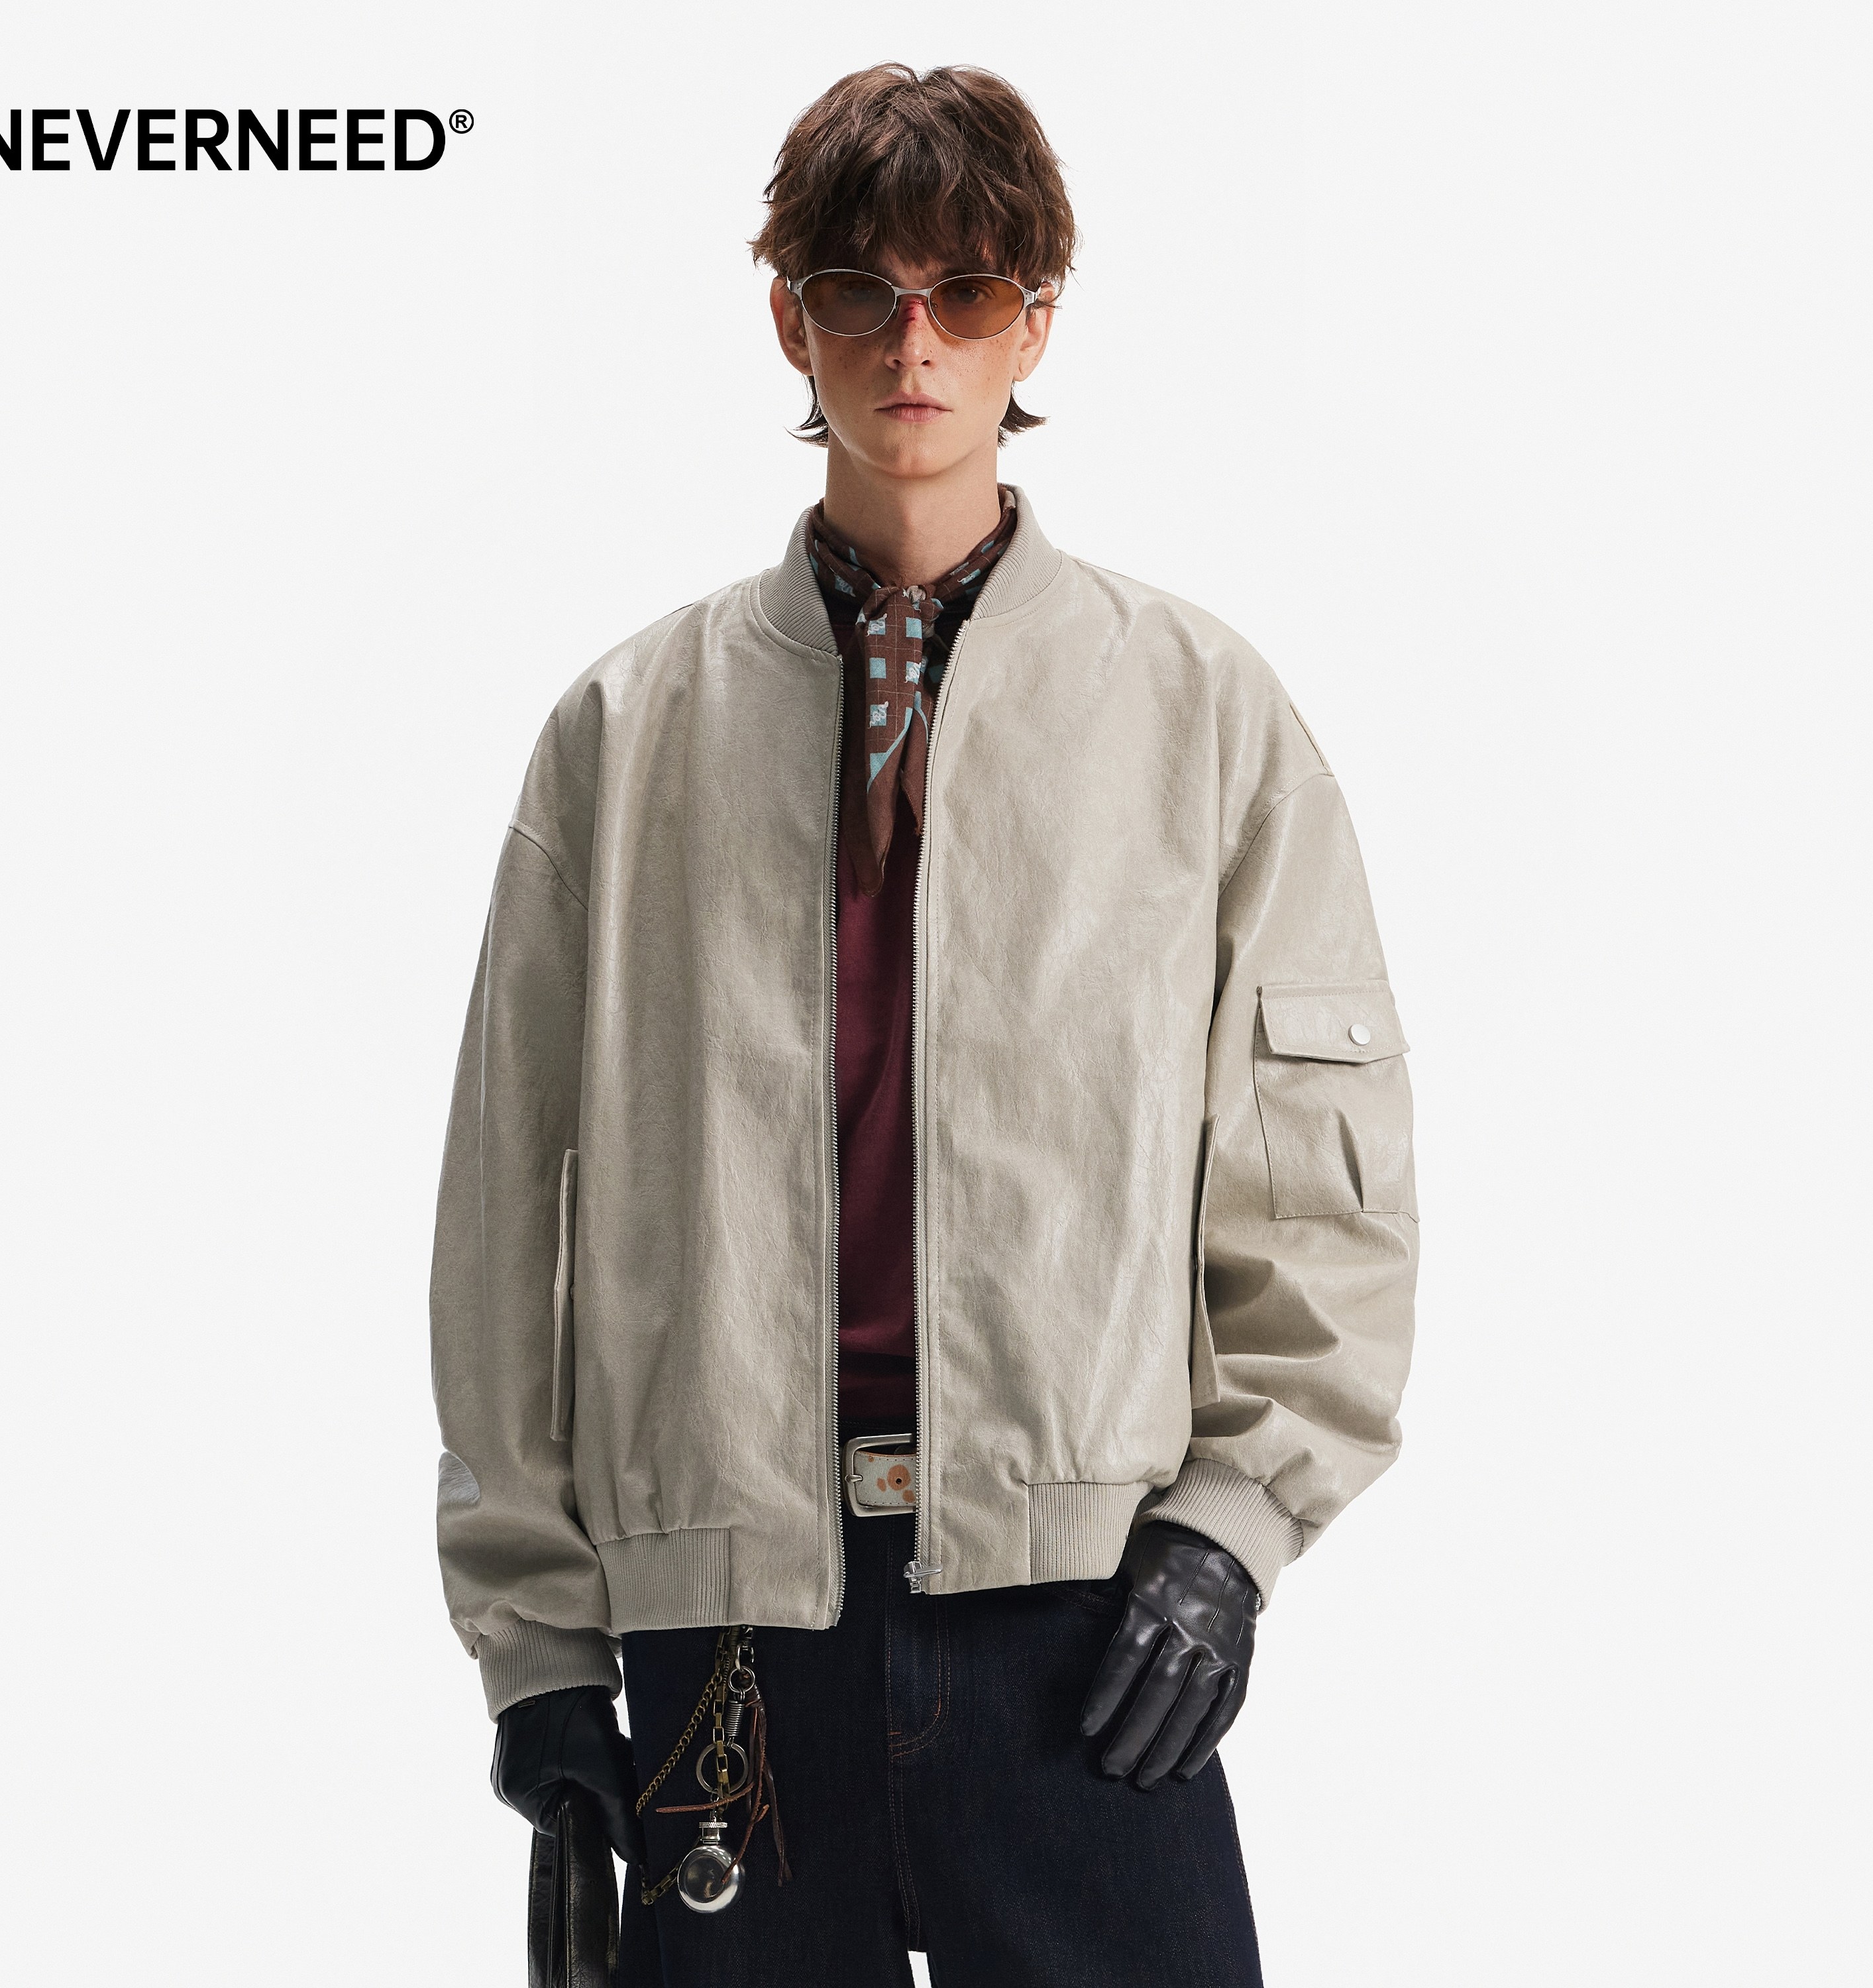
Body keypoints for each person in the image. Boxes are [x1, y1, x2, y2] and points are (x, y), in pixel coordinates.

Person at [431, 62, 1418, 1988]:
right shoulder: (624, 735)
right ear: (786, 317)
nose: (914, 342)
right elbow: (501, 1218)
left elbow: (1325, 1182)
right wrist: (539, 1655)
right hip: (724, 1629)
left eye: (966, 290)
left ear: (1034, 321)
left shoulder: (1203, 715)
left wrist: (1231, 1527)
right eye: (861, 290)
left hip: (1086, 1620)